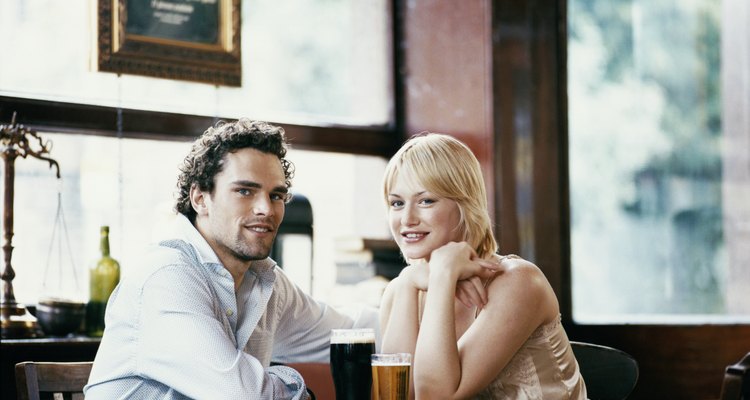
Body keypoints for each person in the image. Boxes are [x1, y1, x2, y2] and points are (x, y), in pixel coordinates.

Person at [84, 119, 378, 399]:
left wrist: (412, 291)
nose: (266, 209)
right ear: (200, 198)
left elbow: (350, 332)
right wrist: (297, 383)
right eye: (245, 191)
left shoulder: (264, 281)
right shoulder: (167, 277)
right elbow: (244, 395)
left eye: (276, 195)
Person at [378, 133, 587, 399]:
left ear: (465, 204)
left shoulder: (519, 282)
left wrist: (443, 274)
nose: (407, 218)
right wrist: (408, 282)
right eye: (397, 203)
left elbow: (435, 396)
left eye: (426, 200)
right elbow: (393, 397)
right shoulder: (401, 290)